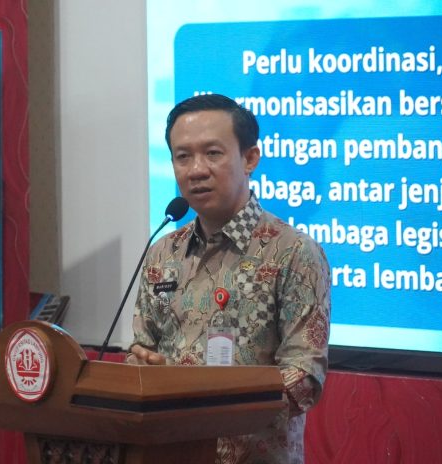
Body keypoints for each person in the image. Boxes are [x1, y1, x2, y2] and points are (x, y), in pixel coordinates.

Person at [127, 94, 331, 464]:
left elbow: (303, 378)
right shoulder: (162, 253)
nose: (196, 170)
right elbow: (142, 350)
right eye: (183, 156)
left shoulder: (294, 252)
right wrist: (142, 369)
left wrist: (202, 401)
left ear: (249, 158)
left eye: (213, 153)